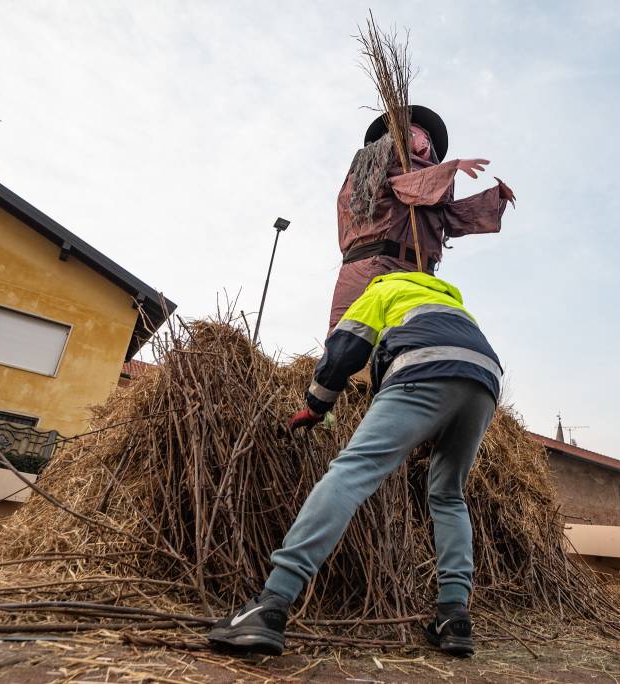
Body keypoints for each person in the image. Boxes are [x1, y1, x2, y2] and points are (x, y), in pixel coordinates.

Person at [209, 271, 501, 657]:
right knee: (448, 495)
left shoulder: (382, 289)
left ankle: (272, 602)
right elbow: (454, 357)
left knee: (351, 473)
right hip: (484, 382)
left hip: (421, 369)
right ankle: (454, 616)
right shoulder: (453, 303)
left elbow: (345, 348)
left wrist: (316, 405)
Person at [328, 104, 515, 331]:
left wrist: (494, 199)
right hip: (374, 267)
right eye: (412, 134)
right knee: (356, 336)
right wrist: (449, 168)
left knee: (415, 338)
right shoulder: (373, 169)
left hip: (420, 273)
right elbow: (406, 187)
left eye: (425, 137)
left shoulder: (432, 185)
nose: (423, 141)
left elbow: (451, 216)